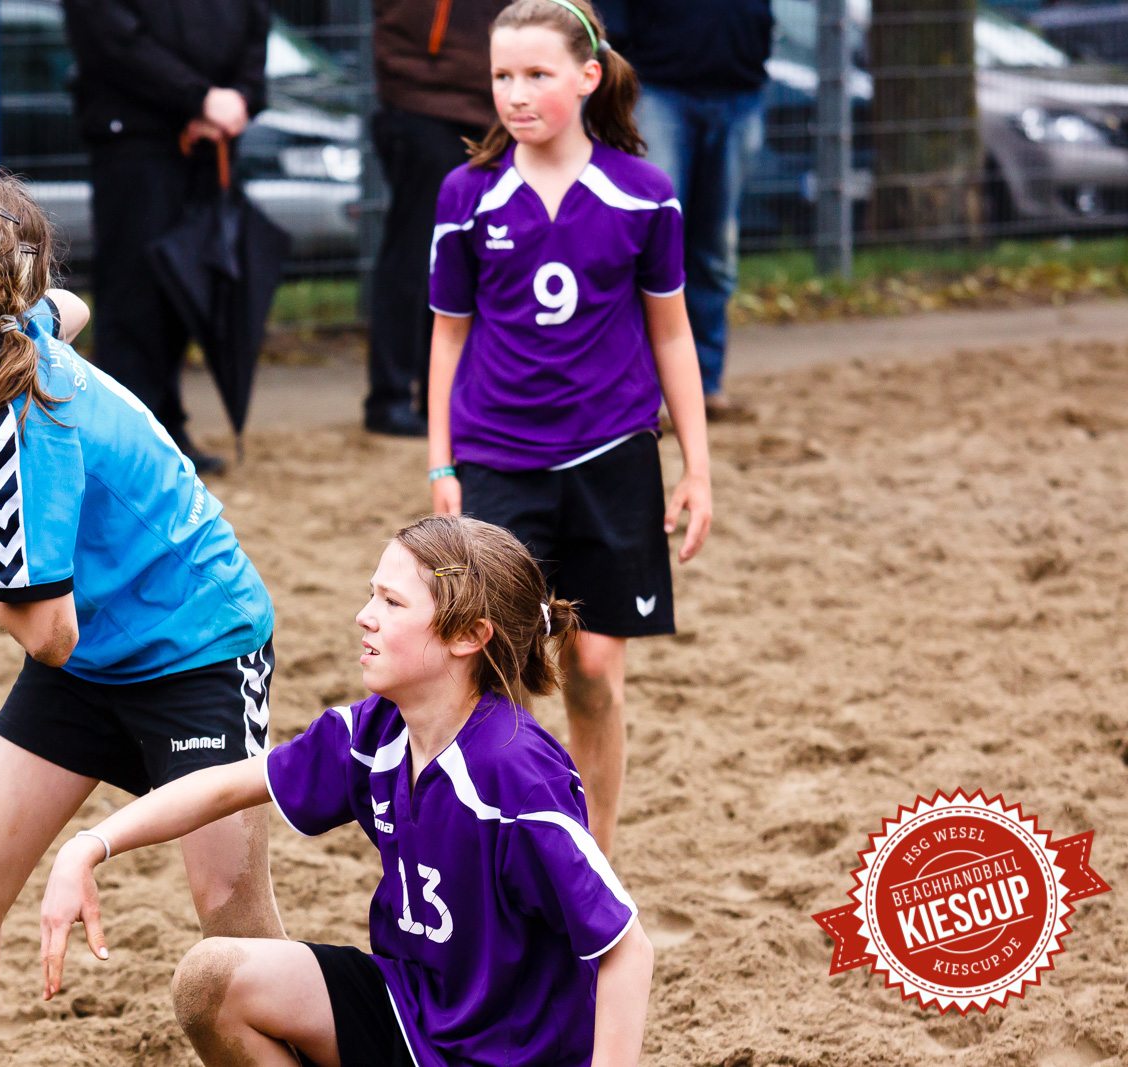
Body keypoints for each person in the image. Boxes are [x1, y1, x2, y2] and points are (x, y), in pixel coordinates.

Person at [0, 161, 285, 1067]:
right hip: (94, 663)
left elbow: (47, 636)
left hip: (198, 651)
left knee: (233, 928)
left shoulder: (25, 430)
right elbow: (69, 307)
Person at [38, 515, 654, 1067]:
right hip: (411, 1009)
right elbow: (225, 787)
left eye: (392, 601)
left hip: (511, 1052)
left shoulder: (514, 772)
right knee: (211, 980)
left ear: (468, 636)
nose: (365, 615)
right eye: (371, 593)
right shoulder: (377, 730)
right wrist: (90, 844)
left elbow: (628, 950)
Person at [424, 0, 713, 855]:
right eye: (501, 76)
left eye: (536, 74)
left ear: (588, 78)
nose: (515, 94)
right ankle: (497, 849)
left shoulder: (644, 194)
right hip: (498, 458)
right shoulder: (467, 195)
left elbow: (672, 333)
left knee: (592, 669)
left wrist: (698, 466)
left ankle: (598, 858)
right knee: (494, 672)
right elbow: (447, 336)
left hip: (613, 458)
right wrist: (441, 464)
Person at [62, 0, 273, 473]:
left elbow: (254, 26)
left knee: (187, 291)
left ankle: (165, 431)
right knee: (134, 295)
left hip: (212, 143)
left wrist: (238, 99)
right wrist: (198, 99)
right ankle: (124, 445)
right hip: (134, 141)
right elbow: (112, 38)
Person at [603, 0, 772, 420]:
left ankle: (705, 385)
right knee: (651, 247)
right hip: (658, 89)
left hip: (740, 89)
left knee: (716, 251)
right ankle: (643, 388)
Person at [363, 0, 508, 436]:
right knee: (414, 256)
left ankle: (443, 397)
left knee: (469, 261)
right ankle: (390, 396)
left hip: (492, 110)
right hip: (423, 103)